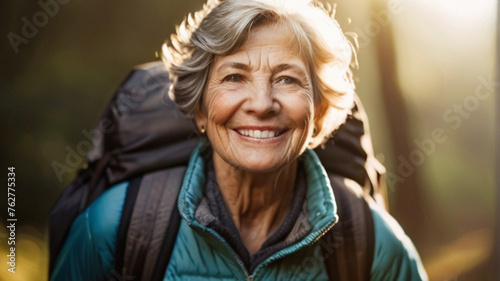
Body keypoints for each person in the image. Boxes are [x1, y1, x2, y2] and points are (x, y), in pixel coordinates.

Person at [51, 0, 428, 280]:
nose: (262, 105)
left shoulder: (371, 242)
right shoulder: (116, 229)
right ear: (199, 106)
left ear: (320, 112)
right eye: (234, 77)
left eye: (287, 79)